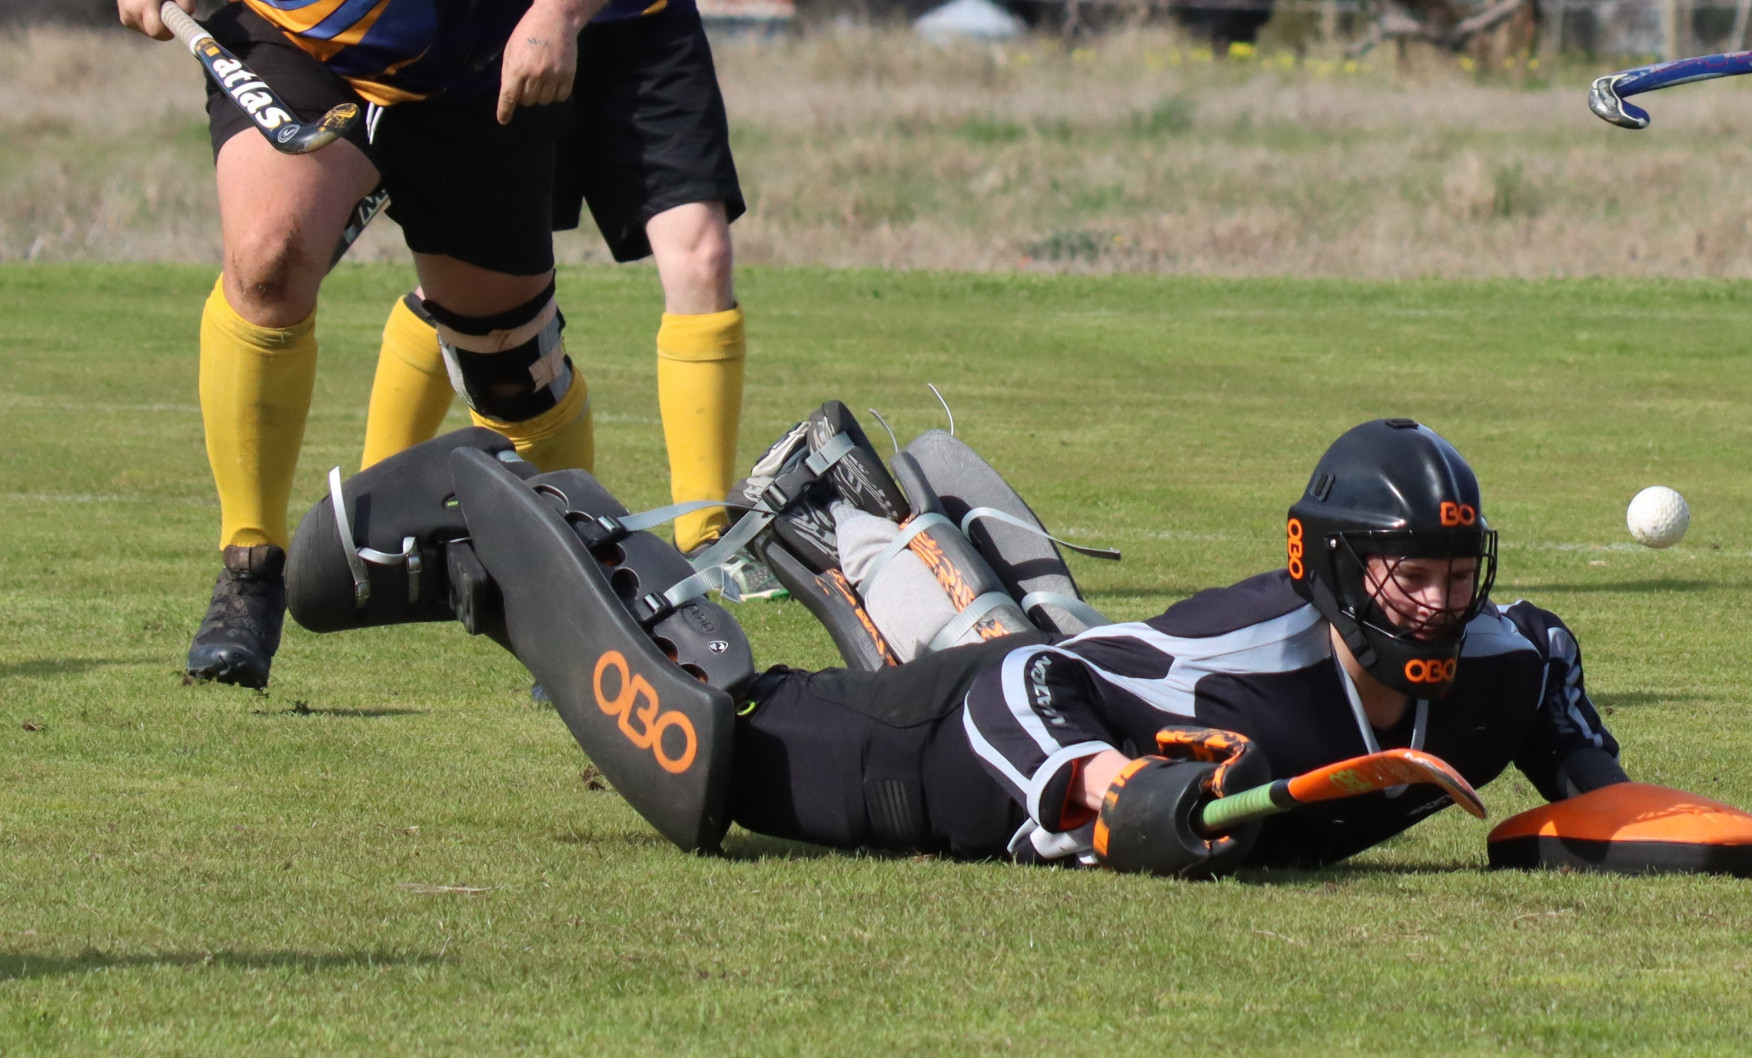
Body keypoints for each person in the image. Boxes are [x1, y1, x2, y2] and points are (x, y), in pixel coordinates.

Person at [288, 413, 1632, 874]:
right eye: (1409, 579)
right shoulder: (1248, 657)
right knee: (711, 751)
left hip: (1032, 705)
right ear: (1334, 570)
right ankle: (483, 532)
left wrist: (1608, 801)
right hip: (947, 761)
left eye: (1457, 576)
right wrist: (1097, 787)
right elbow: (1036, 678)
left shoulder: (1502, 666)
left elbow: (1549, 659)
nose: (1439, 608)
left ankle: (861, 516)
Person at [121, 0, 600, 690]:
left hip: (477, 71)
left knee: (512, 372)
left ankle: (575, 606)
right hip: (300, 42)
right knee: (267, 259)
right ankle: (250, 569)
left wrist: (559, 13)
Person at [356, 0, 758, 588]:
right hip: (500, 27)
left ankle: (705, 536)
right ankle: (371, 522)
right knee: (468, 278)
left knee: (703, 255)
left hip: (643, 24)